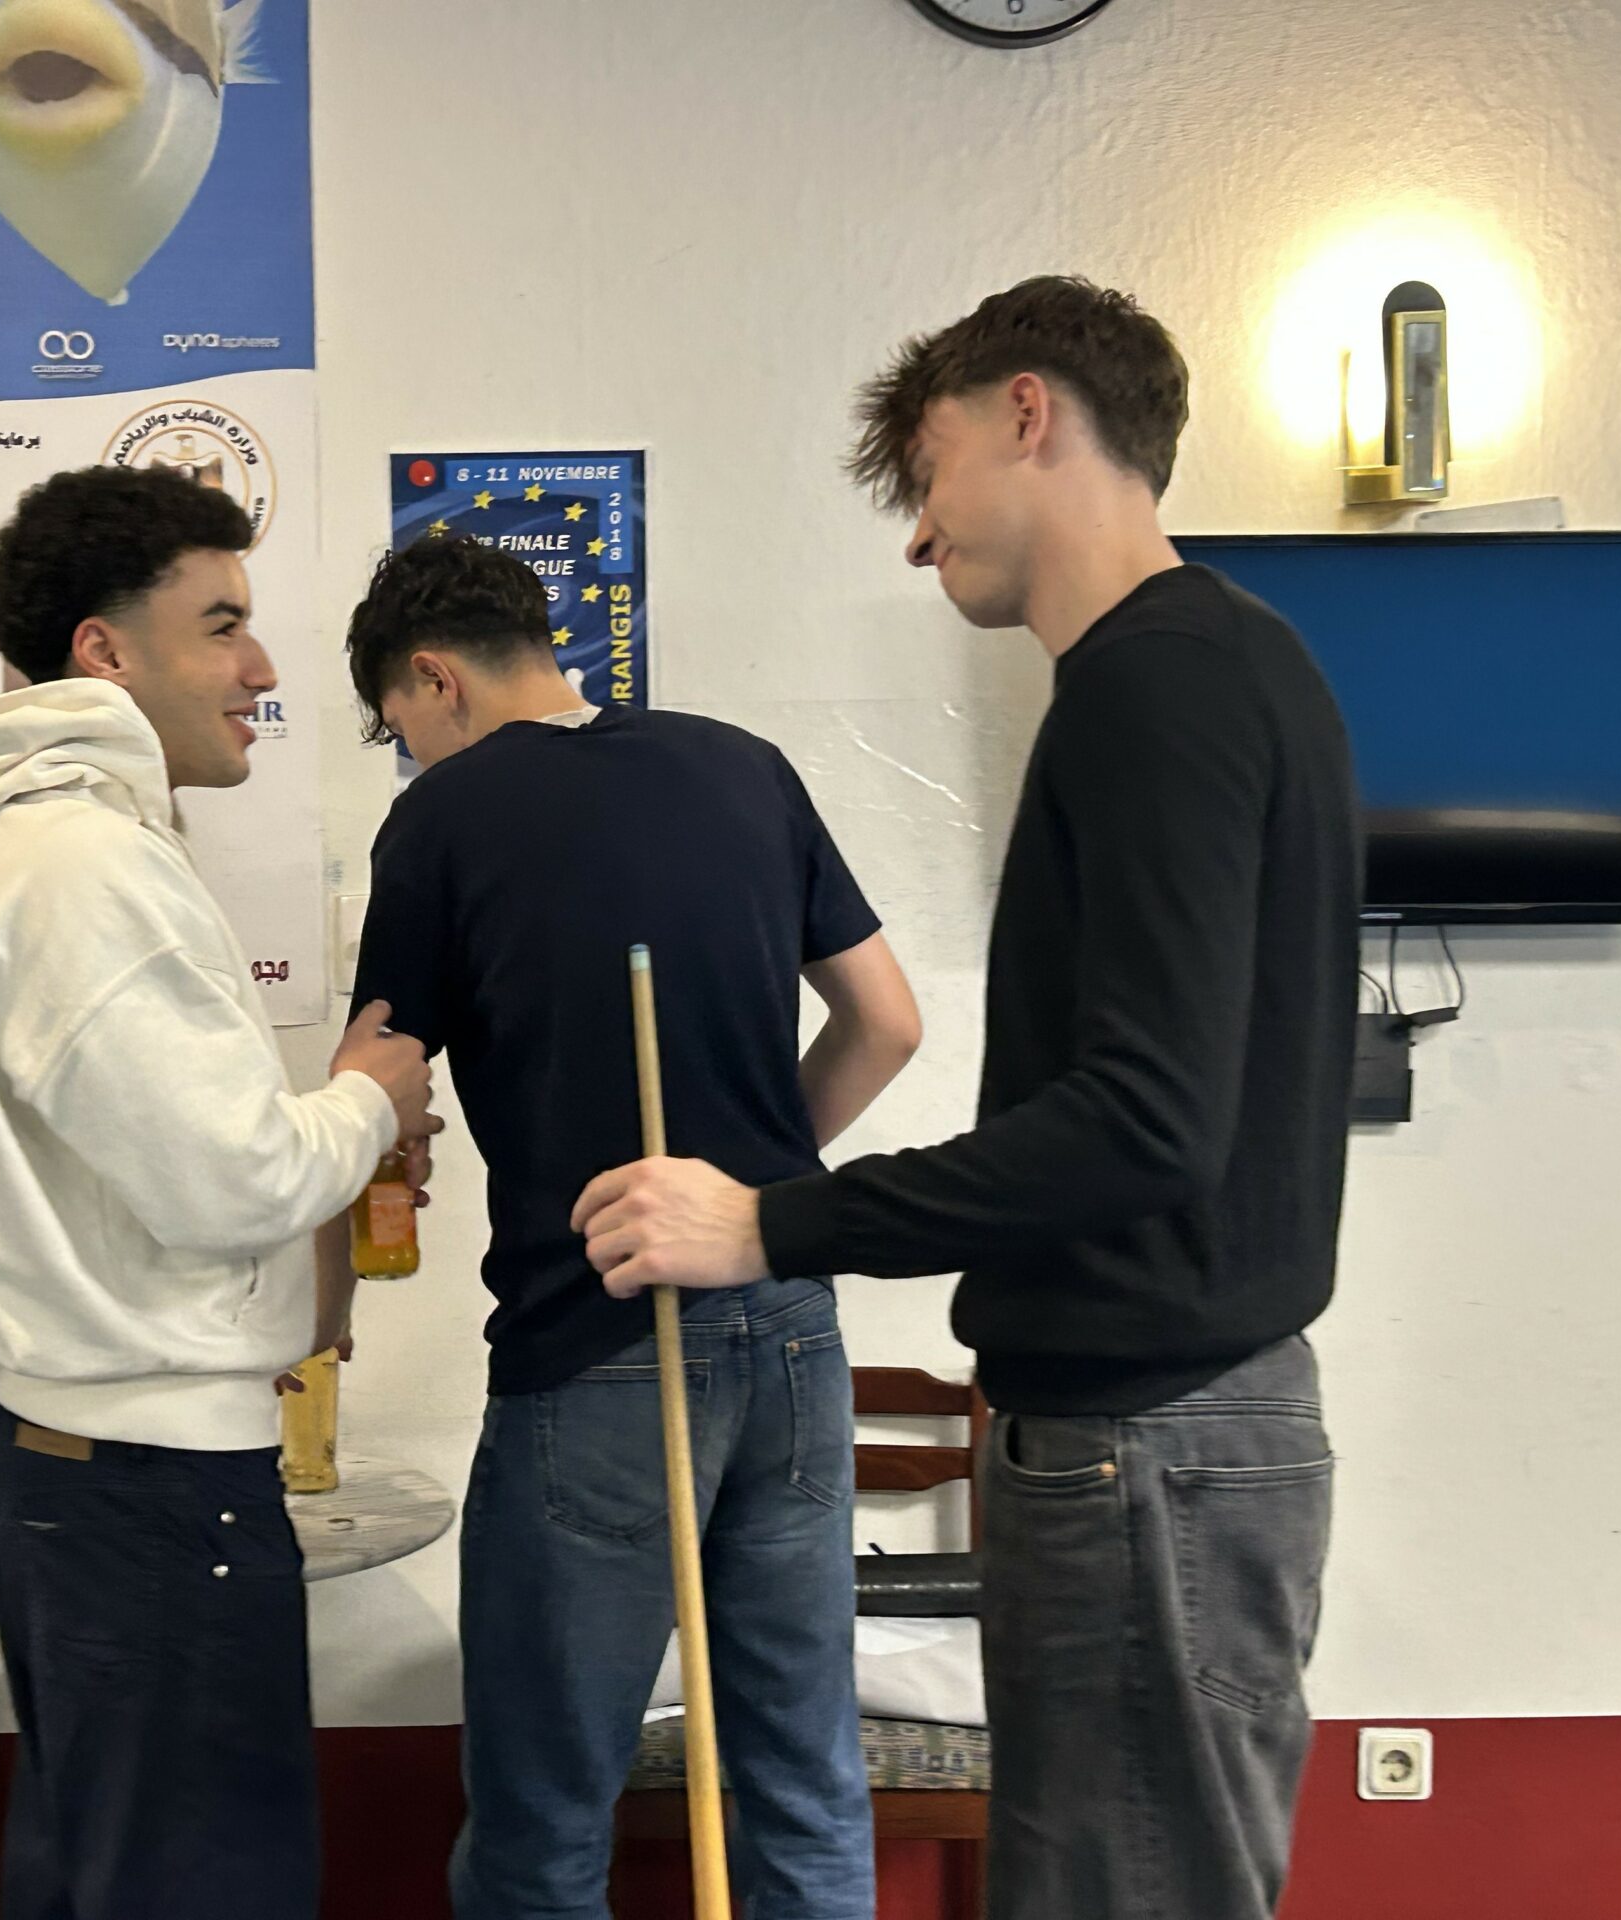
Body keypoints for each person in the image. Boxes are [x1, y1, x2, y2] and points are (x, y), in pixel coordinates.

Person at [573, 277, 1361, 1920]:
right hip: (1163, 1436)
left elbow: (1144, 1123)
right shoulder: (1224, 662)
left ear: (1027, 412)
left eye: (927, 475)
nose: (919, 538)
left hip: (1154, 1443)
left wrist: (771, 1225)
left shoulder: (1164, 681)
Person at [0, 464, 440, 1920]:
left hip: (78, 1467)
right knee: (199, 1884)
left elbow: (168, 1169)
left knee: (109, 1873)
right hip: (146, 1485)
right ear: (104, 652)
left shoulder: (17, 855)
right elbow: (230, 1182)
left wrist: (328, 1149)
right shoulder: (86, 866)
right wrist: (365, 1101)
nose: (263, 670)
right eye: (222, 626)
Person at [345, 534, 923, 1920]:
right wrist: (753, 1203)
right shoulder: (744, 767)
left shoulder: (442, 818)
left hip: (592, 1341)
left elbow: (374, 1084)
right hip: (791, 1333)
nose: (407, 757)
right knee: (802, 1783)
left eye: (395, 727)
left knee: (546, 1818)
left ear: (434, 677)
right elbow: (889, 1022)